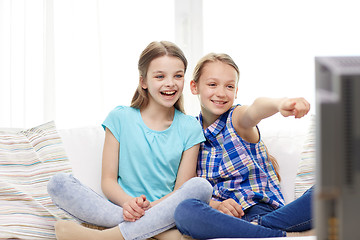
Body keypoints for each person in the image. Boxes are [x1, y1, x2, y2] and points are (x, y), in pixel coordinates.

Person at [47, 41, 213, 240]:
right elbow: (108, 180)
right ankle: (157, 233)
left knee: (201, 187)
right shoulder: (120, 118)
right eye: (160, 76)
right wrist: (129, 205)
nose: (170, 83)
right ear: (143, 81)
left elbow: (181, 191)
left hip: (163, 209)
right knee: (58, 183)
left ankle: (106, 236)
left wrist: (149, 210)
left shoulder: (190, 127)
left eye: (178, 76)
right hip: (121, 208)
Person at [174, 53, 314, 239]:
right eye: (212, 84)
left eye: (229, 86)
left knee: (333, 189)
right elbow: (188, 189)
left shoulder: (236, 118)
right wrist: (216, 205)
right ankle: (275, 236)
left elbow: (255, 109)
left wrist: (279, 103)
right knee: (184, 210)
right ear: (194, 87)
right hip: (223, 218)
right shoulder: (190, 132)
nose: (221, 93)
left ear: (236, 91)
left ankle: (260, 230)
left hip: (265, 214)